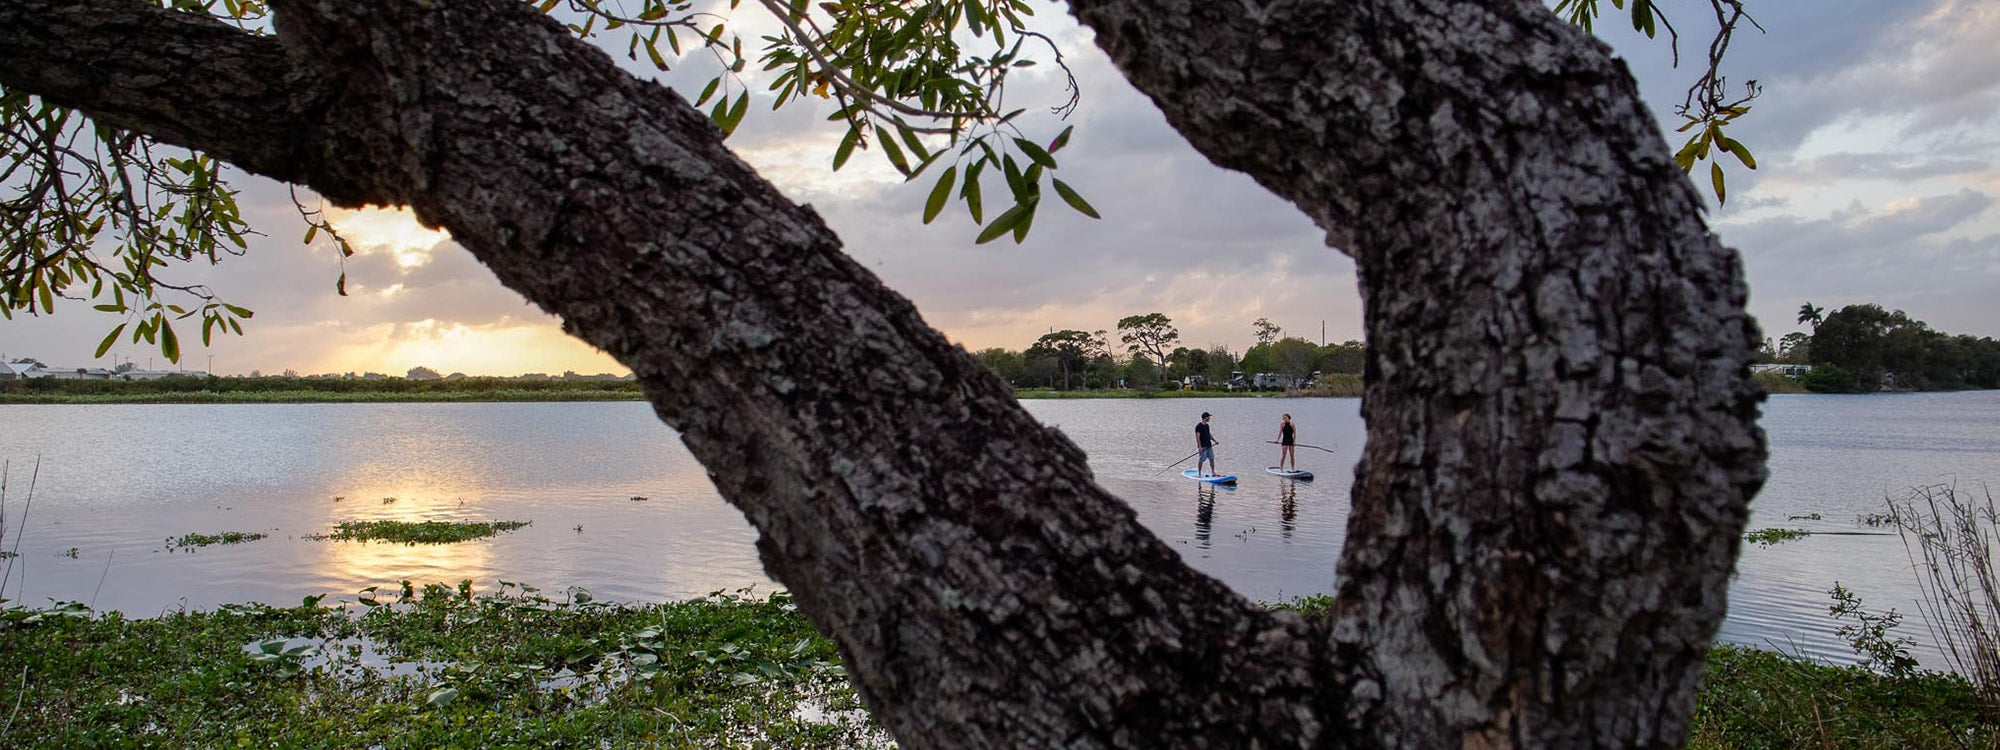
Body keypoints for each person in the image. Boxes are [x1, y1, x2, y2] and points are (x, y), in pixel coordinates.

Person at [1195, 411, 1219, 476]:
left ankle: (1213, 472)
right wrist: (1199, 447)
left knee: (1211, 458)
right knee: (1202, 459)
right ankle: (1199, 473)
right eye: (1209, 417)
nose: (1209, 418)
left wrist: (1215, 441)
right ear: (1206, 418)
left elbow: (1209, 434)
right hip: (1203, 446)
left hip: (1209, 445)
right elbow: (1197, 437)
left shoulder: (1207, 425)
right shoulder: (1198, 426)